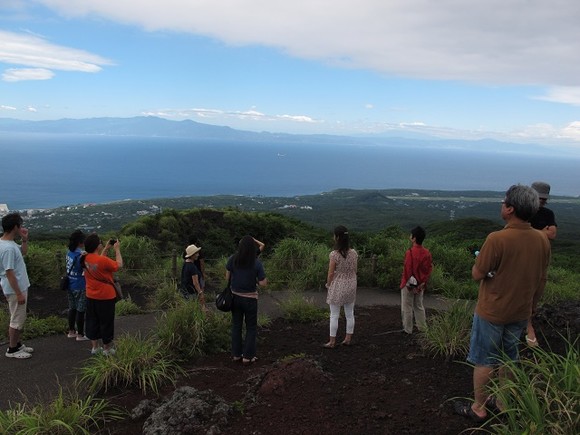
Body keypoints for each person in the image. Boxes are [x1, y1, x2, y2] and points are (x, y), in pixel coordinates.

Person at [454, 184, 550, 422]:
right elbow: (541, 279)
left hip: (492, 311)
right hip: (520, 311)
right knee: (509, 358)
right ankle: (502, 402)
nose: (502, 205)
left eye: (504, 202)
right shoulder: (542, 240)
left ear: (510, 209)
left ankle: (478, 407)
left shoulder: (497, 238)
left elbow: (477, 273)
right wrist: (531, 308)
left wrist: (483, 269)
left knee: (484, 359)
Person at [226, 235, 267, 364]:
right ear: (252, 248)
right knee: (251, 327)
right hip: (250, 299)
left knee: (236, 325)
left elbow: (227, 277)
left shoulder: (233, 259)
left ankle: (236, 354)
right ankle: (248, 356)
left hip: (235, 297)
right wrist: (254, 240)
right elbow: (263, 284)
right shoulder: (256, 263)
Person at [526, 181, 557, 346]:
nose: (541, 202)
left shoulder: (548, 213)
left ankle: (528, 320)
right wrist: (542, 232)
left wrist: (531, 231)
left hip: (542, 256)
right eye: (539, 198)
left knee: (538, 288)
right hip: (524, 256)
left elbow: (552, 234)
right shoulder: (523, 212)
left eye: (544, 199)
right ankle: (527, 326)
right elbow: (518, 231)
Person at [81, 234, 123, 356]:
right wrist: (117, 249)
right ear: (97, 246)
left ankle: (95, 347)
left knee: (92, 320)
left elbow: (97, 263)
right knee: (106, 322)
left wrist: (106, 249)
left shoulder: (84, 258)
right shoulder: (102, 261)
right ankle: (107, 349)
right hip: (105, 296)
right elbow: (119, 264)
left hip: (90, 295)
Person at [0, 213, 34, 359]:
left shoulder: (7, 243)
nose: (21, 227)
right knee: (17, 319)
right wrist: (19, 293)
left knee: (18, 316)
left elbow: (23, 252)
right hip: (15, 289)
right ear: (15, 227)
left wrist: (24, 240)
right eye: (20, 225)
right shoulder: (8, 248)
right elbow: (9, 272)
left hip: (16, 287)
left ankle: (17, 344)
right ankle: (12, 349)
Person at [323, 225, 358, 348]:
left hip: (338, 284)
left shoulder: (334, 254)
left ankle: (332, 341)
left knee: (334, 315)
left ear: (337, 237)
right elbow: (355, 269)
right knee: (350, 313)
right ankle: (348, 338)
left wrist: (328, 284)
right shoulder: (354, 253)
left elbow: (331, 273)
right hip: (351, 283)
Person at [399, 226, 433, 335]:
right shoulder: (427, 253)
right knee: (419, 306)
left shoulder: (410, 252)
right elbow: (428, 269)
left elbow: (407, 269)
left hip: (409, 285)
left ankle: (407, 329)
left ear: (414, 238)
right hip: (421, 284)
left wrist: (408, 284)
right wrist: (423, 283)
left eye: (411, 235)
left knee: (407, 306)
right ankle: (422, 328)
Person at [65, 230, 89, 341]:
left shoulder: (69, 252)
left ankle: (71, 331)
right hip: (80, 284)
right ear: (80, 242)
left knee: (72, 308)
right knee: (81, 310)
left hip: (70, 284)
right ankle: (80, 334)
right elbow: (85, 269)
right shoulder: (81, 255)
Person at [180, 244, 207, 310]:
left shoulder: (186, 264)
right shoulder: (192, 267)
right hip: (191, 293)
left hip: (185, 290)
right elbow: (195, 283)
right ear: (192, 255)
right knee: (194, 309)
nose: (198, 255)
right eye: (196, 253)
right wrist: (200, 292)